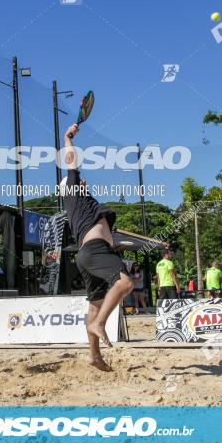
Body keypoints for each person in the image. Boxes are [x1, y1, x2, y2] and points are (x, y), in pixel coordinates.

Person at [61, 123, 133, 372]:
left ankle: (94, 356)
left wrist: (116, 245)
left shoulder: (83, 206)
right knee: (125, 284)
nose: (83, 181)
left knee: (95, 304)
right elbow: (71, 161)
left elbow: (103, 234)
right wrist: (68, 139)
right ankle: (100, 324)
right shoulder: (73, 194)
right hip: (94, 251)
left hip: (89, 254)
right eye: (79, 181)